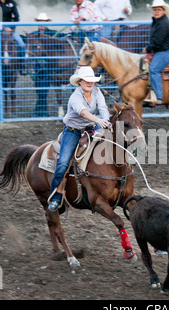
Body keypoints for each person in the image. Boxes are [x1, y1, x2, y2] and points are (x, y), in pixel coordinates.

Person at [48, 66, 111, 211]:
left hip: (91, 128)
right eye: (87, 80)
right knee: (63, 162)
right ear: (80, 82)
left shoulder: (97, 92)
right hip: (73, 131)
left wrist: (105, 122)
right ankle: (55, 196)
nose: (90, 83)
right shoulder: (75, 97)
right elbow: (83, 113)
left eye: (92, 80)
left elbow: (103, 108)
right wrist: (99, 121)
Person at [143, 0, 169, 107]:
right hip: (163, 49)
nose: (157, 12)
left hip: (167, 50)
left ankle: (159, 97)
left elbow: (157, 42)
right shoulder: (158, 21)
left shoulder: (162, 23)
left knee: (154, 69)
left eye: (159, 9)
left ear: (163, 11)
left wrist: (148, 49)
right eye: (155, 9)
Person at [29, 13, 56, 118]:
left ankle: (41, 111)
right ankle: (40, 110)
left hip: (48, 66)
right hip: (37, 66)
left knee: (44, 89)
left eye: (43, 22)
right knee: (39, 89)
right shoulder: (34, 34)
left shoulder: (52, 34)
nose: (42, 24)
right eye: (40, 22)